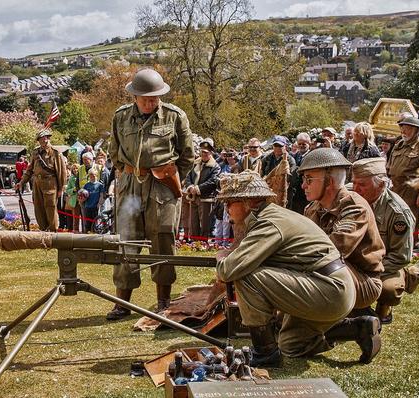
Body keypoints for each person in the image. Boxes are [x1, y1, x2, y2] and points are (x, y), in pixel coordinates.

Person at [214, 171, 357, 366]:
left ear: (249, 202)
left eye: (230, 201)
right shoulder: (272, 216)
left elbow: (229, 271)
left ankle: (265, 354)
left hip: (330, 291)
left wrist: (222, 258)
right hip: (332, 289)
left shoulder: (269, 223)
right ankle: (356, 328)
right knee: (291, 345)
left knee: (247, 276)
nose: (227, 207)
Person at [107, 68, 195, 320]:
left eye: (155, 97)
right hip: (130, 183)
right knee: (126, 241)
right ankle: (121, 302)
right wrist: (126, 174)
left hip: (162, 187)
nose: (151, 102)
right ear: (134, 96)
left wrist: (170, 179)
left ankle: (163, 301)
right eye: (146, 98)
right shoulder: (121, 117)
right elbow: (114, 151)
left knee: (163, 240)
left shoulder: (175, 116)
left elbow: (187, 155)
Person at [299, 148, 384, 363]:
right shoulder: (313, 209)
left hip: (362, 280)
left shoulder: (353, 206)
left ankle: (350, 321)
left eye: (309, 179)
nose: (303, 185)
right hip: (336, 273)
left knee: (316, 273)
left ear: (329, 181)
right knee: (287, 326)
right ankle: (358, 326)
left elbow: (333, 250)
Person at [351, 158, 419, 324]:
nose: (355, 189)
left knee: (388, 290)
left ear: (381, 185)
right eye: (353, 182)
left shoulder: (398, 213)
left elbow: (401, 256)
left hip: (384, 263)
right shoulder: (351, 196)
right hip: (357, 258)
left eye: (362, 184)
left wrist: (369, 271)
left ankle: (403, 279)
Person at [15, 129, 67, 232]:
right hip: (37, 183)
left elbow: (61, 172)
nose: (44, 141)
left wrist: (61, 188)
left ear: (48, 138)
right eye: (42, 139)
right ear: (39, 140)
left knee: (50, 207)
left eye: (46, 138)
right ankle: (43, 230)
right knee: (38, 207)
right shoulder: (35, 152)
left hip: (50, 183)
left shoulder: (56, 153)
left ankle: (53, 232)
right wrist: (21, 183)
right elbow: (29, 170)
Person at [387, 116, 419, 240]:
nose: (403, 131)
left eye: (407, 129)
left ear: (416, 130)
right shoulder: (399, 144)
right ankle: (397, 245)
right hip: (395, 188)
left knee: (410, 219)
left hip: (411, 191)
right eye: (402, 128)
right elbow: (390, 165)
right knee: (395, 219)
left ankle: (410, 245)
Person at [184, 138, 221, 239]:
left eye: (206, 152)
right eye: (202, 152)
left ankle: (203, 242)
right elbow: (188, 177)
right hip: (193, 196)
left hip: (206, 198)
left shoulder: (215, 166)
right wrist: (190, 187)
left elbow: (213, 181)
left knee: (205, 222)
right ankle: (194, 241)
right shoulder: (195, 163)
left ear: (211, 153)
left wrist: (197, 188)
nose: (204, 154)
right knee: (193, 221)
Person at [290, 133, 312, 214]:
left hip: (306, 189)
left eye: (304, 144)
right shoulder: (295, 156)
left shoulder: (312, 156)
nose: (301, 146)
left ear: (309, 143)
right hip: (295, 192)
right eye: (299, 144)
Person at [64, 163, 81, 232]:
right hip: (75, 200)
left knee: (84, 217)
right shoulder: (71, 178)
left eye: (76, 168)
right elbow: (67, 190)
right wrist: (73, 190)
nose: (75, 170)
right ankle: (75, 230)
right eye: (73, 169)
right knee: (75, 217)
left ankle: (85, 230)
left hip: (83, 199)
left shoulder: (82, 176)